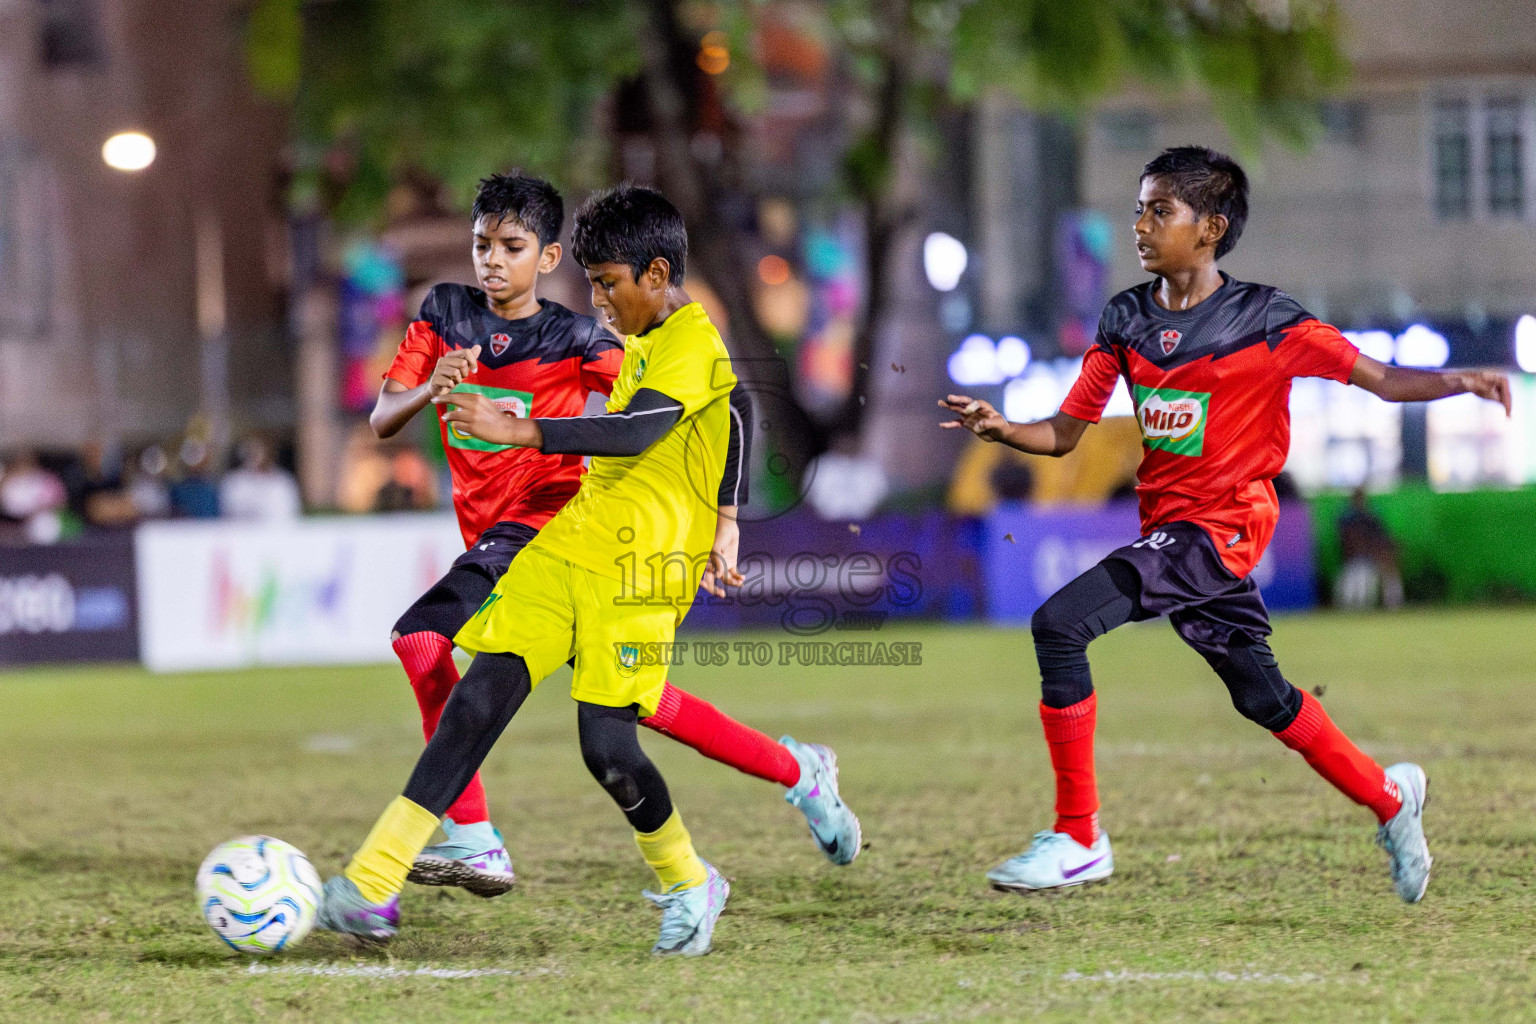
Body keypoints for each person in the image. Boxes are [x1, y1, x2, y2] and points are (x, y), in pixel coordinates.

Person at [941, 146, 1510, 904]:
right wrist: (1004, 427)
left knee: (1058, 624)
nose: (1140, 224)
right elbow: (1066, 432)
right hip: (1173, 533)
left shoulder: (1268, 321)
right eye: (1140, 207)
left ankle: (1079, 837)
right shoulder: (1126, 319)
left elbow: (1378, 377)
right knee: (1264, 697)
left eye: (1159, 210)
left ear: (1210, 228)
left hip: (1224, 530)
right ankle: (1389, 798)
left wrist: (1460, 380)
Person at [319, 180, 854, 952]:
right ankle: (370, 883)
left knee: (608, 746)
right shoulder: (642, 337)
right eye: (595, 285)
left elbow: (636, 431)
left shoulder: (689, 344)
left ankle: (690, 878)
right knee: (478, 700)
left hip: (641, 576)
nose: (599, 301)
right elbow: (736, 408)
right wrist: (729, 518)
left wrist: (522, 429)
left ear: (659, 276)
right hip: (570, 543)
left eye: (608, 285)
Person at [220, 437, 302, 522]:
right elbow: (229, 512)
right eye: (251, 452)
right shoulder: (234, 482)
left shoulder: (283, 482)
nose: (255, 457)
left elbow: (291, 514)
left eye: (259, 451)